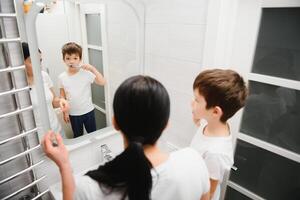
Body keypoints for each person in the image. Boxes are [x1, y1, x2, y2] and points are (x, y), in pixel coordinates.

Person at [43, 75, 210, 200]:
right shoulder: (194, 161)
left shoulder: (88, 188)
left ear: (115, 122)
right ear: (166, 124)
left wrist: (64, 165)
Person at [190, 69, 248, 200]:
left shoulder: (216, 154)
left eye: (197, 100)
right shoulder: (215, 124)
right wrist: (197, 120)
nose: (192, 102)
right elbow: (204, 137)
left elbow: (208, 195)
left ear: (215, 112)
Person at [58, 42, 106, 138]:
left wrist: (92, 69)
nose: (71, 61)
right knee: (78, 136)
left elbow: (102, 82)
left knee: (93, 135)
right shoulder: (61, 77)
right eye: (68, 58)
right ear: (64, 59)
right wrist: (65, 112)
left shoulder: (86, 73)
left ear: (80, 59)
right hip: (73, 114)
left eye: (75, 58)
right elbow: (62, 96)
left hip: (88, 111)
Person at [22, 42, 68, 137]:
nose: (38, 65)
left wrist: (61, 101)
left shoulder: (44, 76)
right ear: (21, 63)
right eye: (32, 61)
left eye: (40, 61)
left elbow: (53, 101)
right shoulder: (17, 87)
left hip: (56, 130)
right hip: (36, 138)